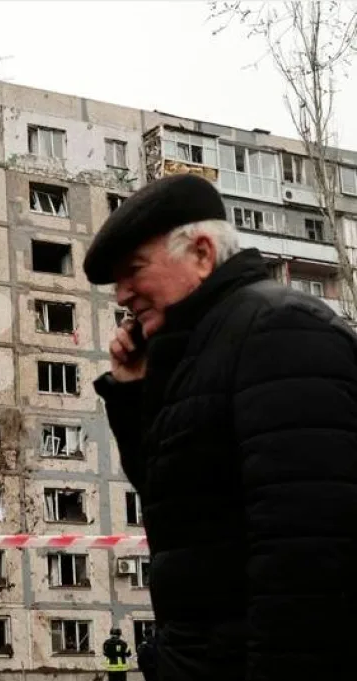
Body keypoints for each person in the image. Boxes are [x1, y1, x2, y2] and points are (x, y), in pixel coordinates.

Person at [83, 173, 357, 681]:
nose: (121, 294)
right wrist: (133, 391)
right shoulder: (200, 350)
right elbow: (181, 507)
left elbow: (307, 553)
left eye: (133, 270)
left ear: (203, 253)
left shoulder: (281, 330)